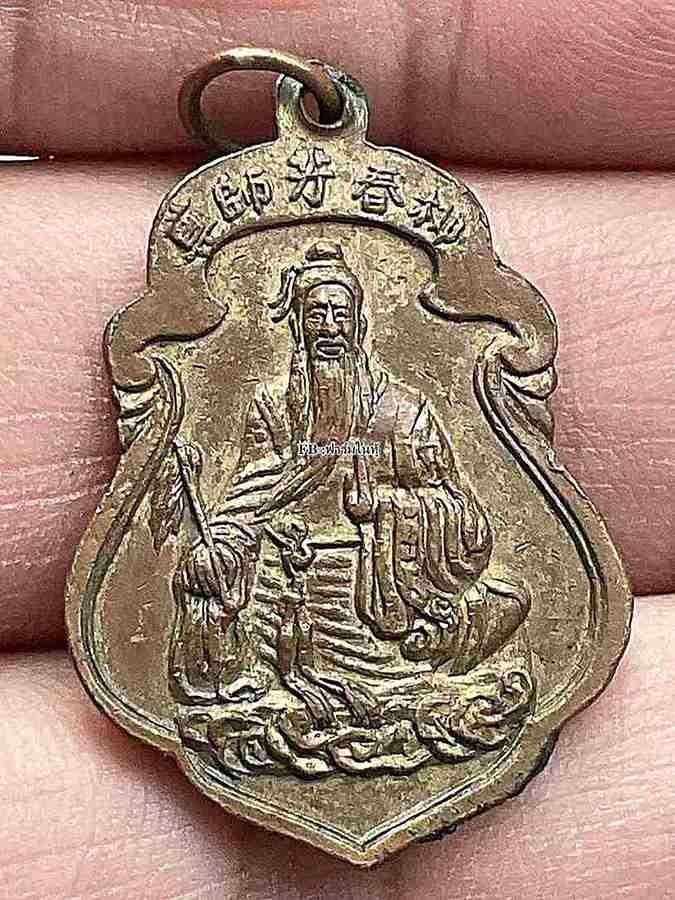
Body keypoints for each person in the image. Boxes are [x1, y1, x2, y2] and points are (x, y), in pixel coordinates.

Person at [1, 2, 673, 897]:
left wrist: (392, 507)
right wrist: (225, 541)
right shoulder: (272, 405)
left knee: (499, 602)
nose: (325, 324)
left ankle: (398, 687)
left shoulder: (400, 405)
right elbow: (245, 490)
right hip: (291, 574)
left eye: (337, 313)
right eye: (312, 312)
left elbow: (459, 504)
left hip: (391, 579)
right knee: (221, 603)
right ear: (296, 323)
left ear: (356, 323)